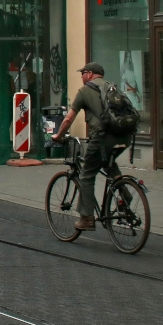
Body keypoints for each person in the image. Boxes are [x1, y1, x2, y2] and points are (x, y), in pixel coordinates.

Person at [51, 62, 128, 231]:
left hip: (101, 137)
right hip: (123, 137)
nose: (81, 76)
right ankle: (125, 195)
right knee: (109, 163)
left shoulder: (85, 90)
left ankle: (87, 218)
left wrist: (58, 135)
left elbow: (68, 119)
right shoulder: (112, 87)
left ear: (91, 74)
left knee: (86, 175)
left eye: (83, 73)